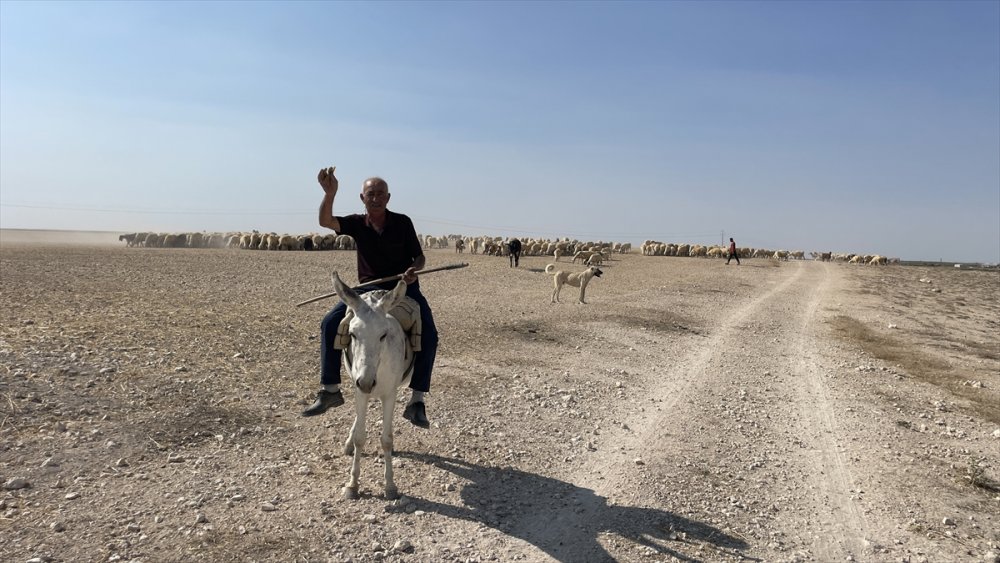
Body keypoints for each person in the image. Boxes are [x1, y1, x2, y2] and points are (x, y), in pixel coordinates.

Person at [302, 166, 438, 428]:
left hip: (403, 288)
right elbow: (326, 221)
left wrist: (414, 269)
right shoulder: (356, 223)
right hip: (366, 290)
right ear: (362, 198)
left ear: (388, 198)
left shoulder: (403, 222)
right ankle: (330, 389)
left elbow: (419, 256)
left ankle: (417, 400)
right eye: (370, 194)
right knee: (330, 323)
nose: (375, 198)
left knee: (430, 334)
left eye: (380, 194)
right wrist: (330, 193)